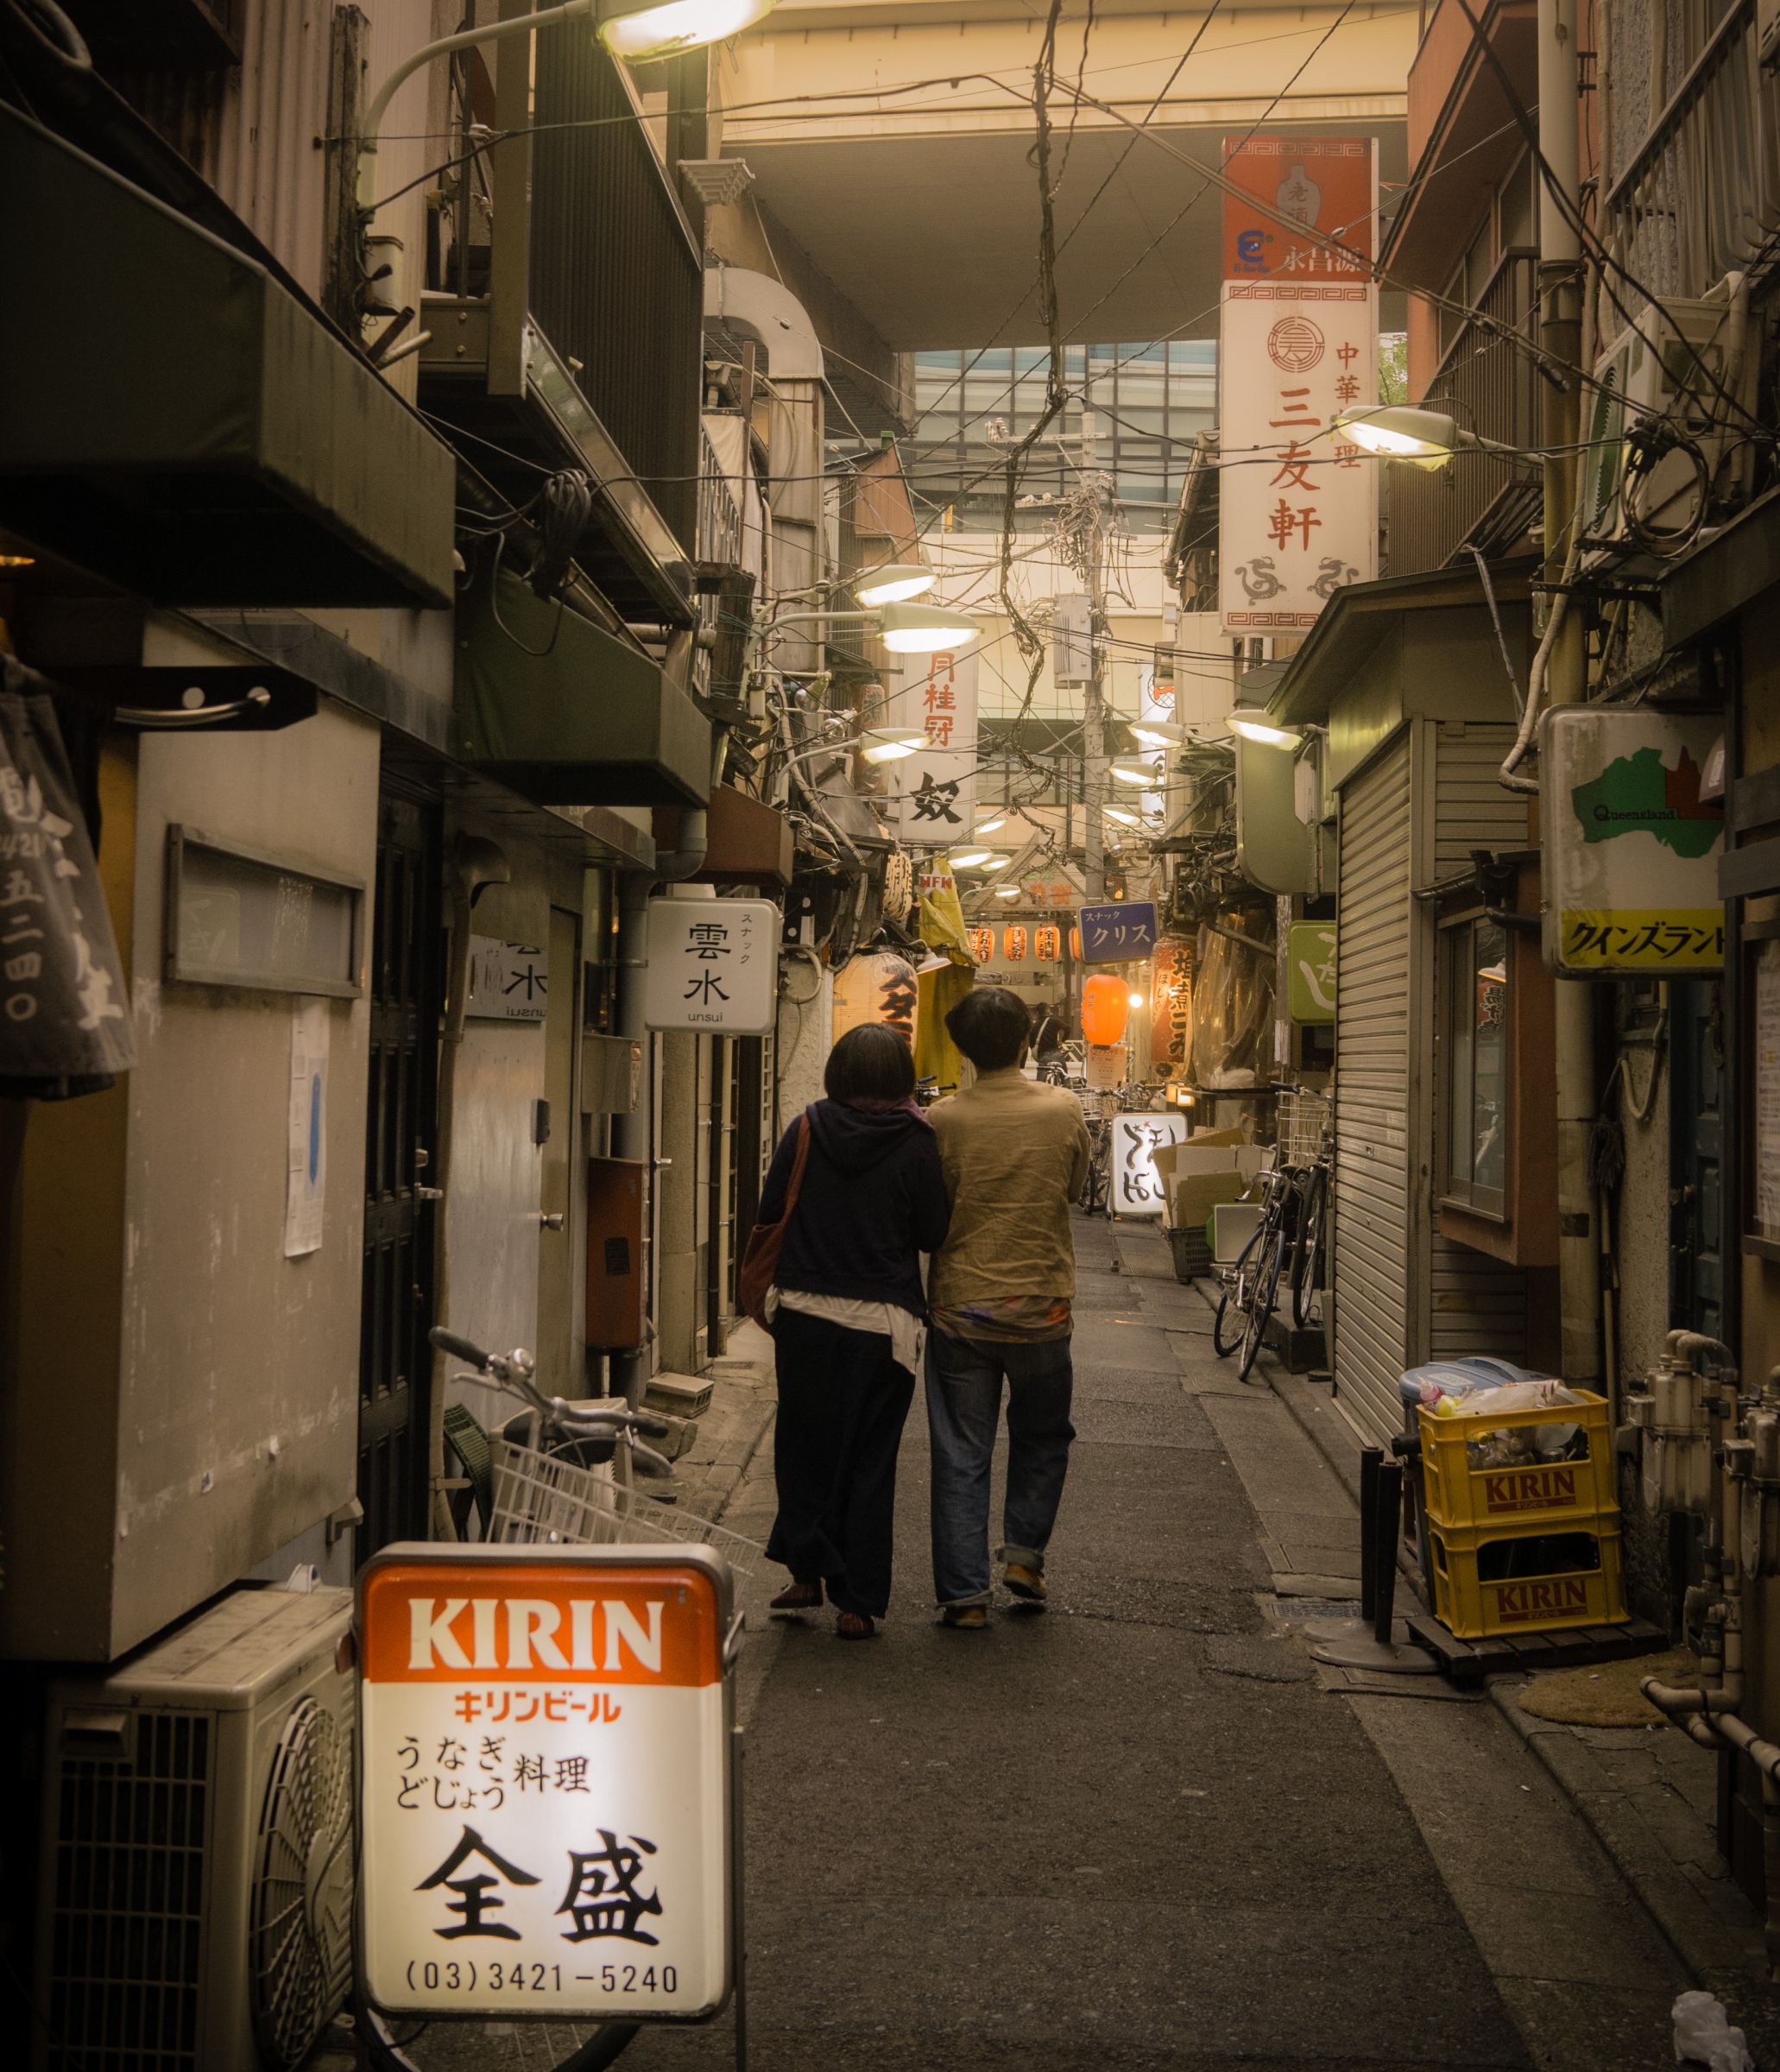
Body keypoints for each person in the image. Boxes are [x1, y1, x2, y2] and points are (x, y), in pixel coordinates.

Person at [757, 1022, 950, 1639]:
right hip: (882, 1325)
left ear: (838, 1072)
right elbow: (932, 1233)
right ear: (901, 1077)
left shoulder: (808, 1125)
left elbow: (769, 1208)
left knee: (804, 1447)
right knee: (870, 1460)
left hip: (807, 1315)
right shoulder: (918, 1141)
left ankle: (805, 1573)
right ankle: (857, 1602)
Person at [925, 987, 1090, 1630]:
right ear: (1027, 1042)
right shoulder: (1063, 1108)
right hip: (1042, 1306)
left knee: (962, 1450)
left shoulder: (942, 1118)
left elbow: (932, 1210)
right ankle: (1024, 1556)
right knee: (1043, 1437)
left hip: (960, 1308)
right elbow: (1075, 1191)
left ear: (963, 1050)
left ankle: (965, 1596)